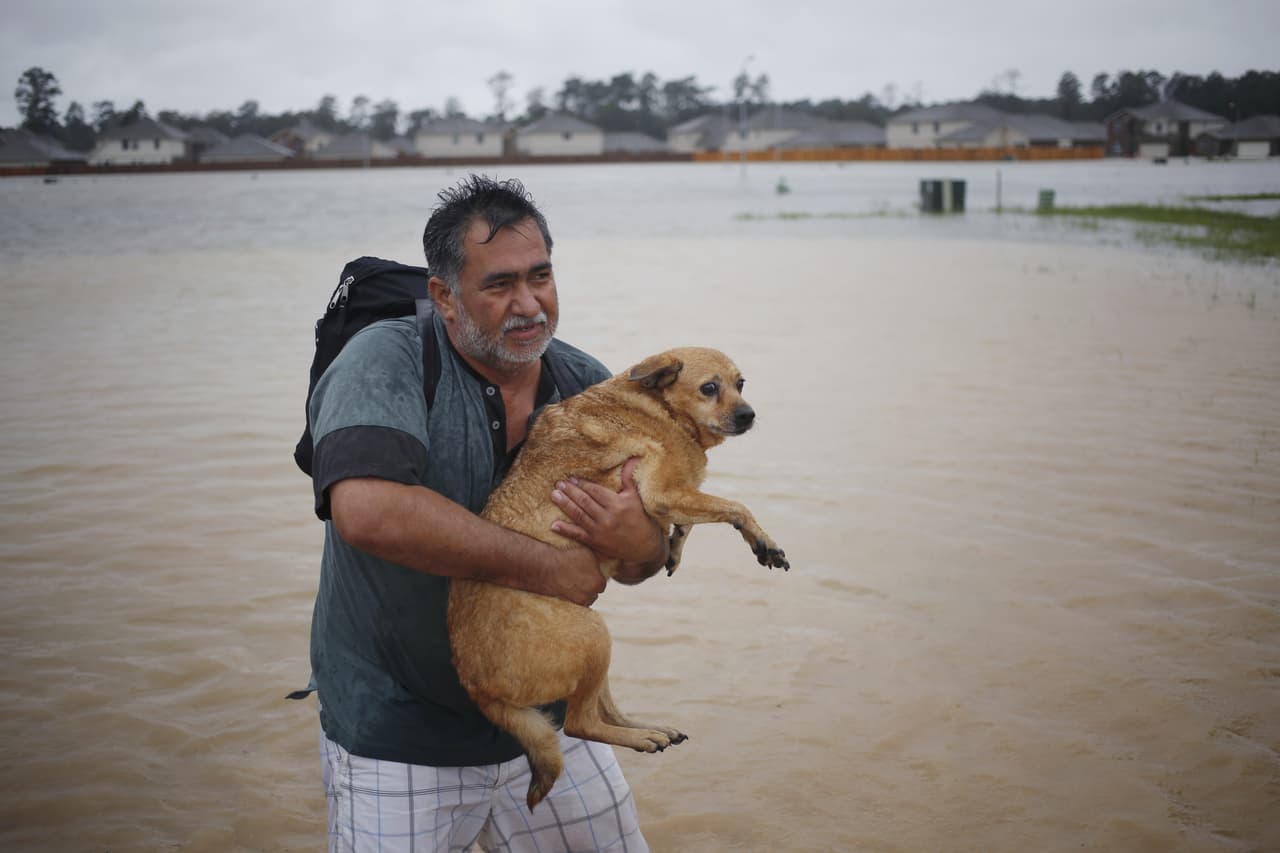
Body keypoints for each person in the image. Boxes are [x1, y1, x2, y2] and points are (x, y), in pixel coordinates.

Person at [302, 174, 669, 852]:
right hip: (399, 728)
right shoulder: (387, 359)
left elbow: (644, 562)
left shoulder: (585, 382)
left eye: (542, 276)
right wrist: (548, 570)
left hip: (551, 716)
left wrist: (639, 538)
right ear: (445, 295)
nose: (529, 305)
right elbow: (368, 511)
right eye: (499, 284)